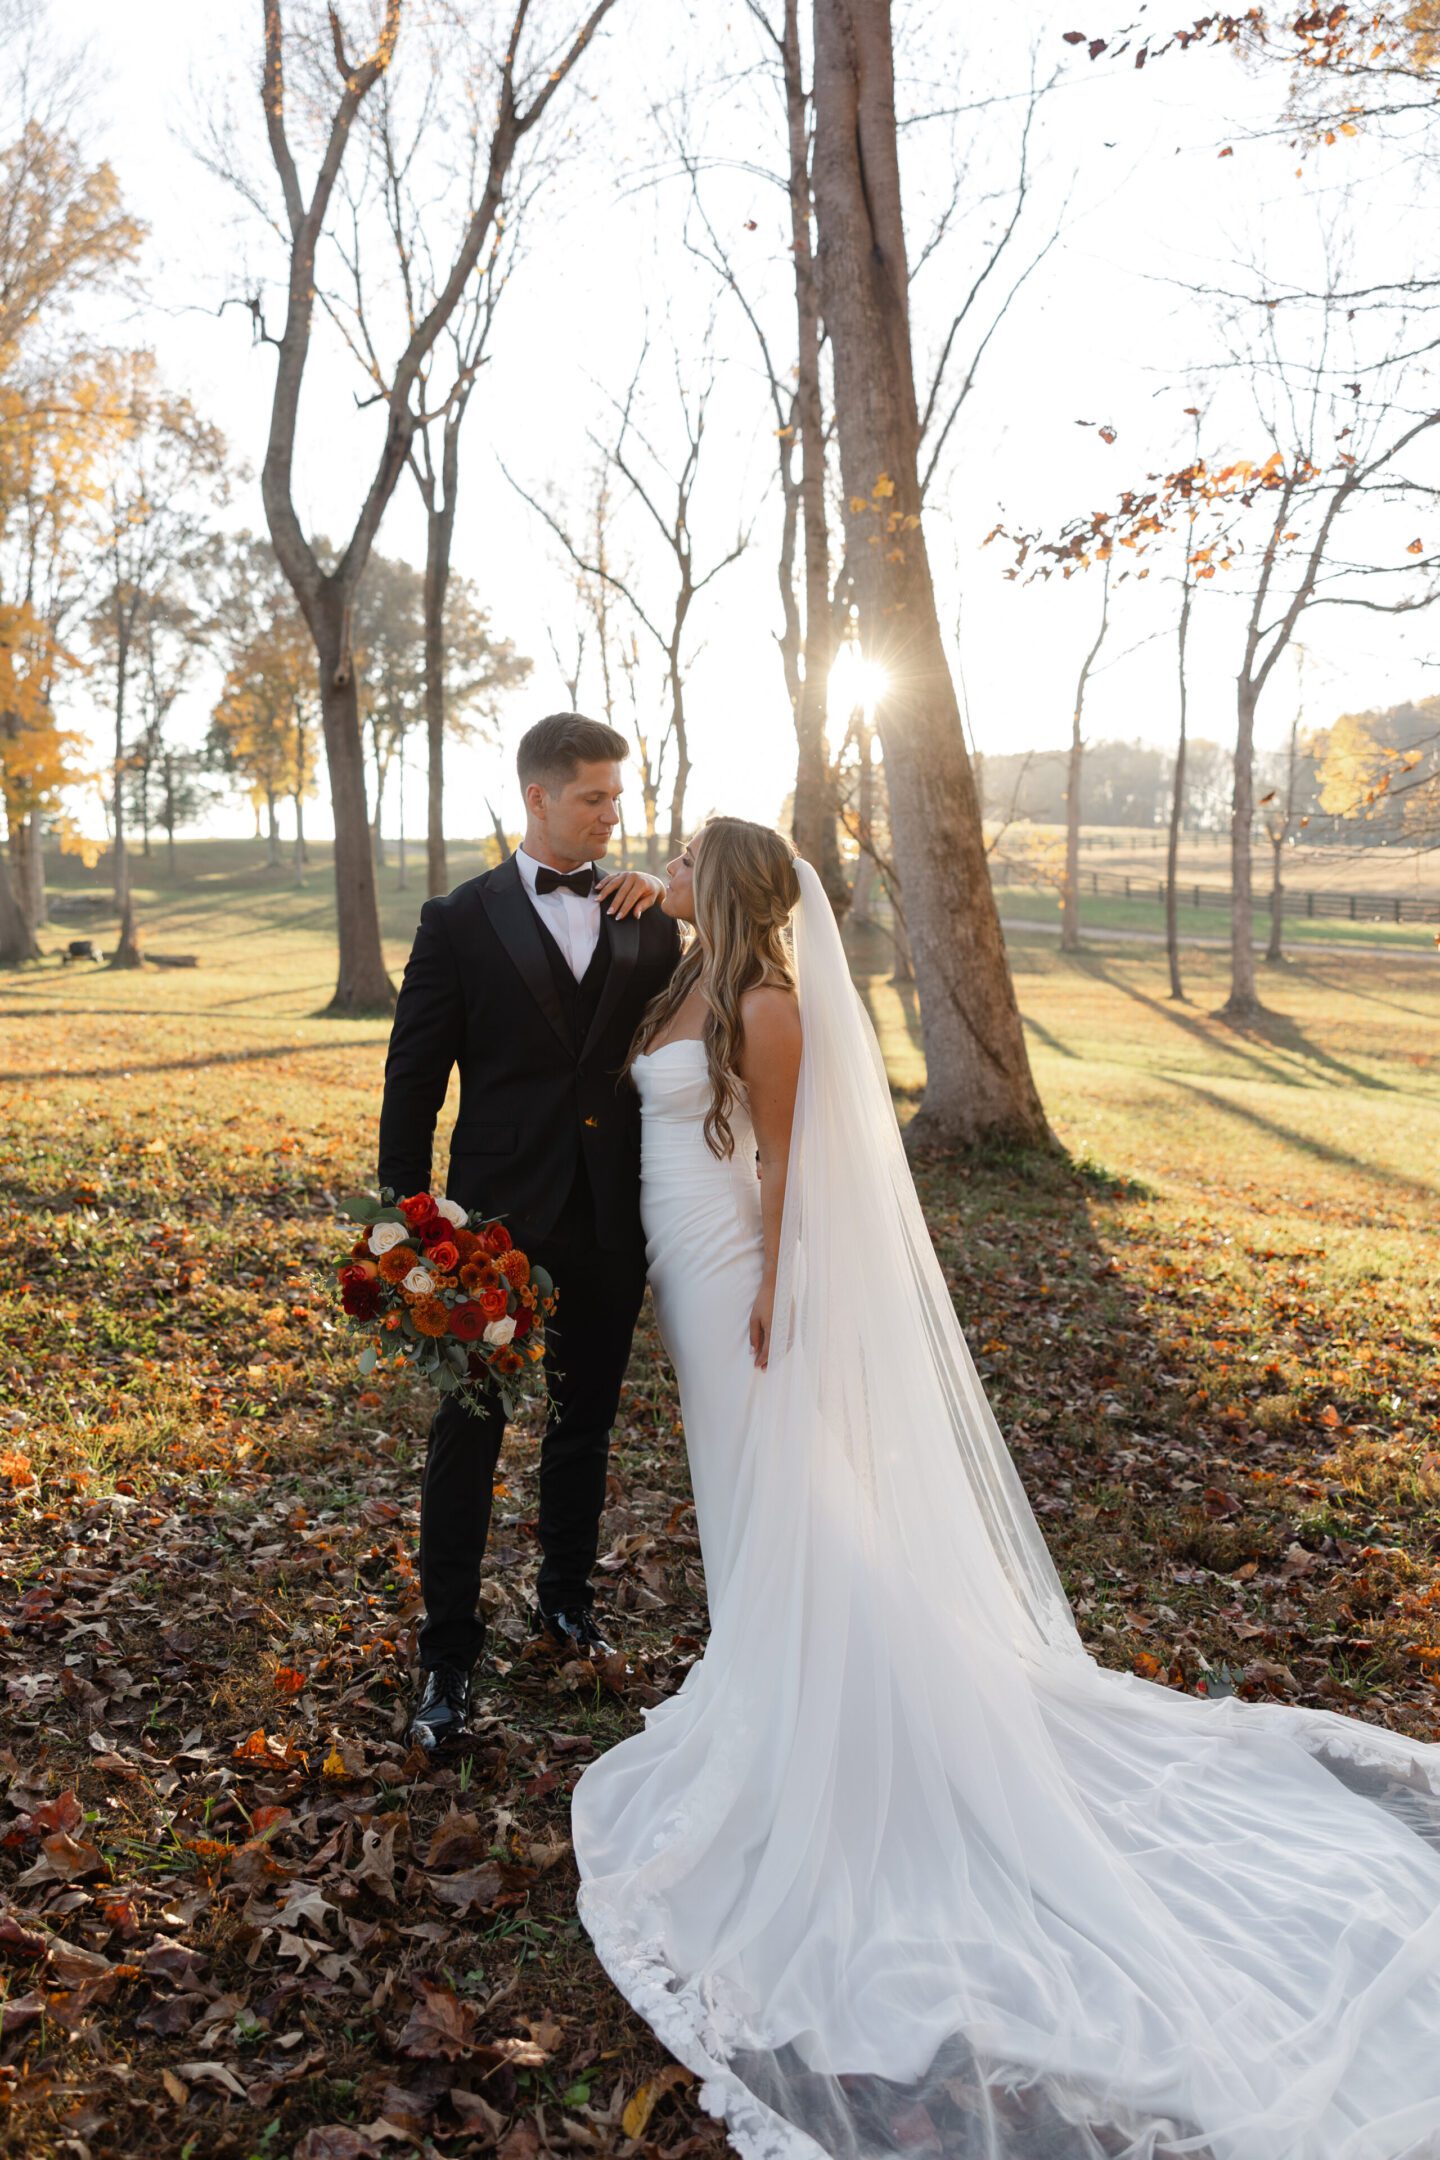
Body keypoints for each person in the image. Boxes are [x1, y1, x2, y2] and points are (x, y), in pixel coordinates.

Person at [571, 816, 1440, 2160]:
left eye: (687, 855)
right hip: (679, 1268)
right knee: (744, 1494)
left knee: (792, 1494)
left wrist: (776, 1293)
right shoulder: (681, 973)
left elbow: (797, 1166)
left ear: (732, 885)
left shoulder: (768, 1002)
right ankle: (771, 1657)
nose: (664, 865)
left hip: (740, 1276)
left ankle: (836, 1700)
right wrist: (638, 903)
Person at [377, 713, 680, 1752]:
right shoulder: (458, 921)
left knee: (583, 1423)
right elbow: (414, 1076)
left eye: (616, 796)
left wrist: (675, 900)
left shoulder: (645, 920)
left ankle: (563, 1603)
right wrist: (407, 1222)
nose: (613, 814)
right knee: (467, 1438)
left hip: (609, 1214)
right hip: (488, 1229)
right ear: (539, 797)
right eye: (595, 796)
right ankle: (448, 1660)